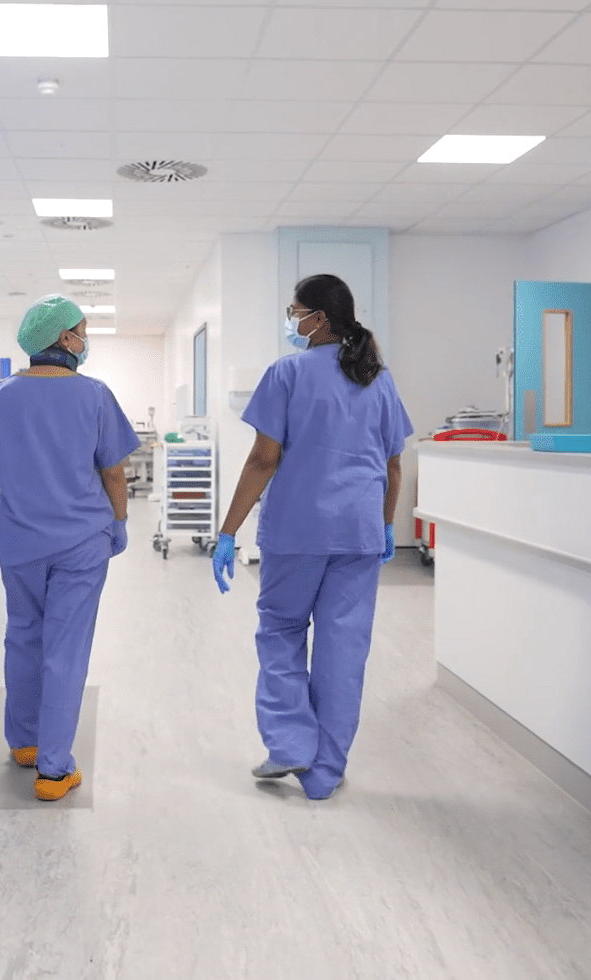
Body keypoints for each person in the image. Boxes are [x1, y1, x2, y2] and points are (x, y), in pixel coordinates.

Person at [211, 273, 413, 801]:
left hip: (297, 532)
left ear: (318, 318)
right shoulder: (378, 379)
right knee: (343, 650)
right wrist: (387, 523)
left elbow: (262, 459)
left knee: (280, 631)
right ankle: (324, 772)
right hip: (359, 534)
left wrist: (228, 530)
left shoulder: (287, 373)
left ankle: (290, 744)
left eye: (294, 310)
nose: (290, 320)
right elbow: (394, 466)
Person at [0, 295, 140, 802]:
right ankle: (54, 771)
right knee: (66, 652)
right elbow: (114, 472)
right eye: (81, 329)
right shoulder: (95, 395)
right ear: (64, 339)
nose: (85, 338)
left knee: (23, 638)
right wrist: (120, 522)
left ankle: (26, 742)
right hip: (81, 543)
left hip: (19, 543)